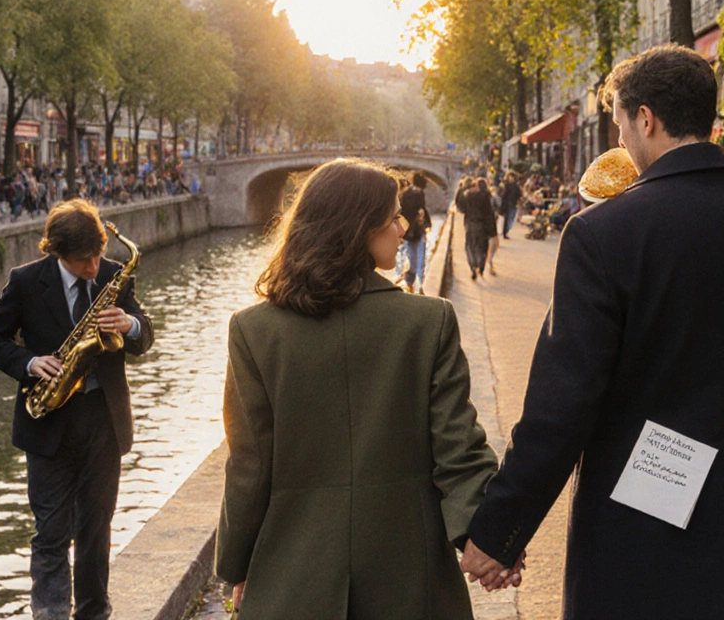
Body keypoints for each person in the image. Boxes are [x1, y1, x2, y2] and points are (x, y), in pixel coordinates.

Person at [460, 45, 724, 617]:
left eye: (621, 125)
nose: (621, 142)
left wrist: (498, 532)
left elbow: (562, 404)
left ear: (645, 119)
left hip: (638, 546)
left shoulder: (601, 235)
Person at [215, 159, 507, 619]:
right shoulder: (428, 322)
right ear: (358, 229)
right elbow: (459, 449)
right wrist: (486, 538)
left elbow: (249, 466)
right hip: (410, 574)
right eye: (393, 216)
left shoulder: (254, 330)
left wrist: (236, 564)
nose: (403, 225)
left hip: (294, 572)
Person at [0, 199, 155, 620]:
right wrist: (28, 363)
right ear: (55, 251)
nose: (94, 266)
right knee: (51, 532)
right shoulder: (25, 282)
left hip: (103, 422)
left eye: (97, 255)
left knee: (96, 530)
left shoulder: (114, 275)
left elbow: (145, 334)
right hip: (48, 420)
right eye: (82, 261)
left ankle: (94, 613)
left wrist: (129, 325)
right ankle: (51, 613)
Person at [455, 177, 496, 280]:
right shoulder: (486, 197)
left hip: (470, 223)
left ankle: (473, 267)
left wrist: (462, 187)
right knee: (482, 247)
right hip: (483, 225)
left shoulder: (468, 195)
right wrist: (492, 231)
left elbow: (459, 204)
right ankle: (480, 267)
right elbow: (490, 214)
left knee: (470, 246)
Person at [398, 171, 431, 293]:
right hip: (418, 229)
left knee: (410, 255)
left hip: (408, 230)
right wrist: (428, 222)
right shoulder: (419, 192)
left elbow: (401, 211)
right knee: (420, 255)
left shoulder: (404, 193)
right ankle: (421, 283)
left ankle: (409, 282)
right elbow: (422, 209)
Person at [500, 172, 522, 239]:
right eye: (510, 176)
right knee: (507, 218)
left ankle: (506, 231)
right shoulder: (505, 184)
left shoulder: (515, 185)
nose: (511, 178)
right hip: (507, 204)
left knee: (511, 218)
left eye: (512, 176)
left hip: (513, 203)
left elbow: (519, 194)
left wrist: (518, 200)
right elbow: (502, 194)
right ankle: (505, 232)